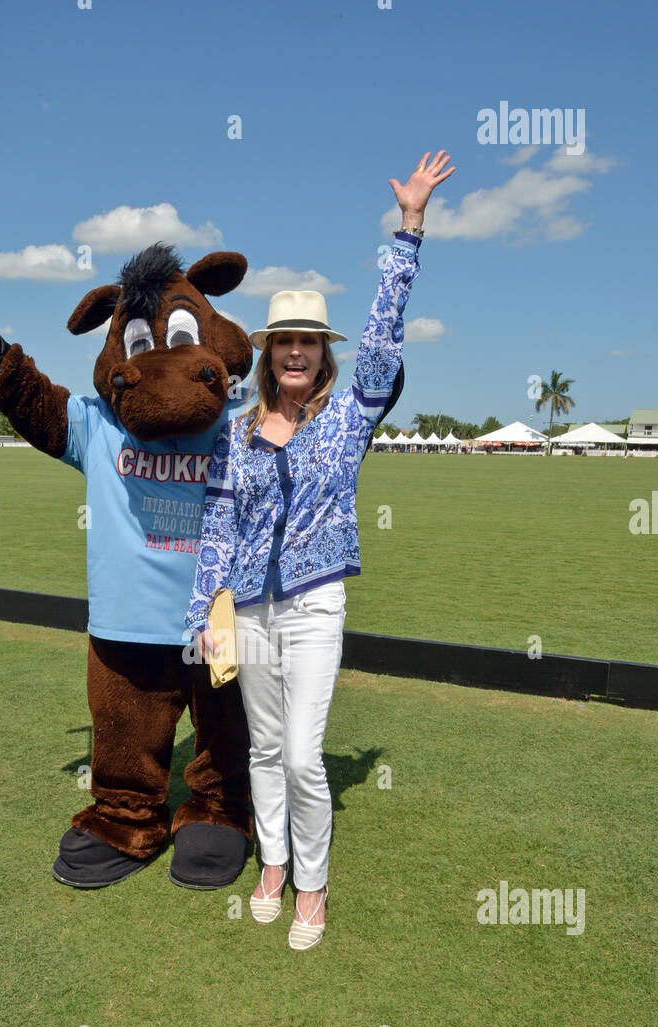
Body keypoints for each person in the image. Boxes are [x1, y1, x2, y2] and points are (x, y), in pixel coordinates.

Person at [184, 151, 455, 949]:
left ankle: (312, 883)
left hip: (314, 603)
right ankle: (272, 864)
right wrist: (205, 611)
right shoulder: (235, 434)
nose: (295, 353)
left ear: (322, 352)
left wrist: (408, 229)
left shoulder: (349, 415)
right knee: (263, 746)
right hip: (250, 611)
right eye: (282, 342)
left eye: (307, 341)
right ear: (266, 354)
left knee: (303, 755)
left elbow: (383, 336)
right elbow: (217, 528)